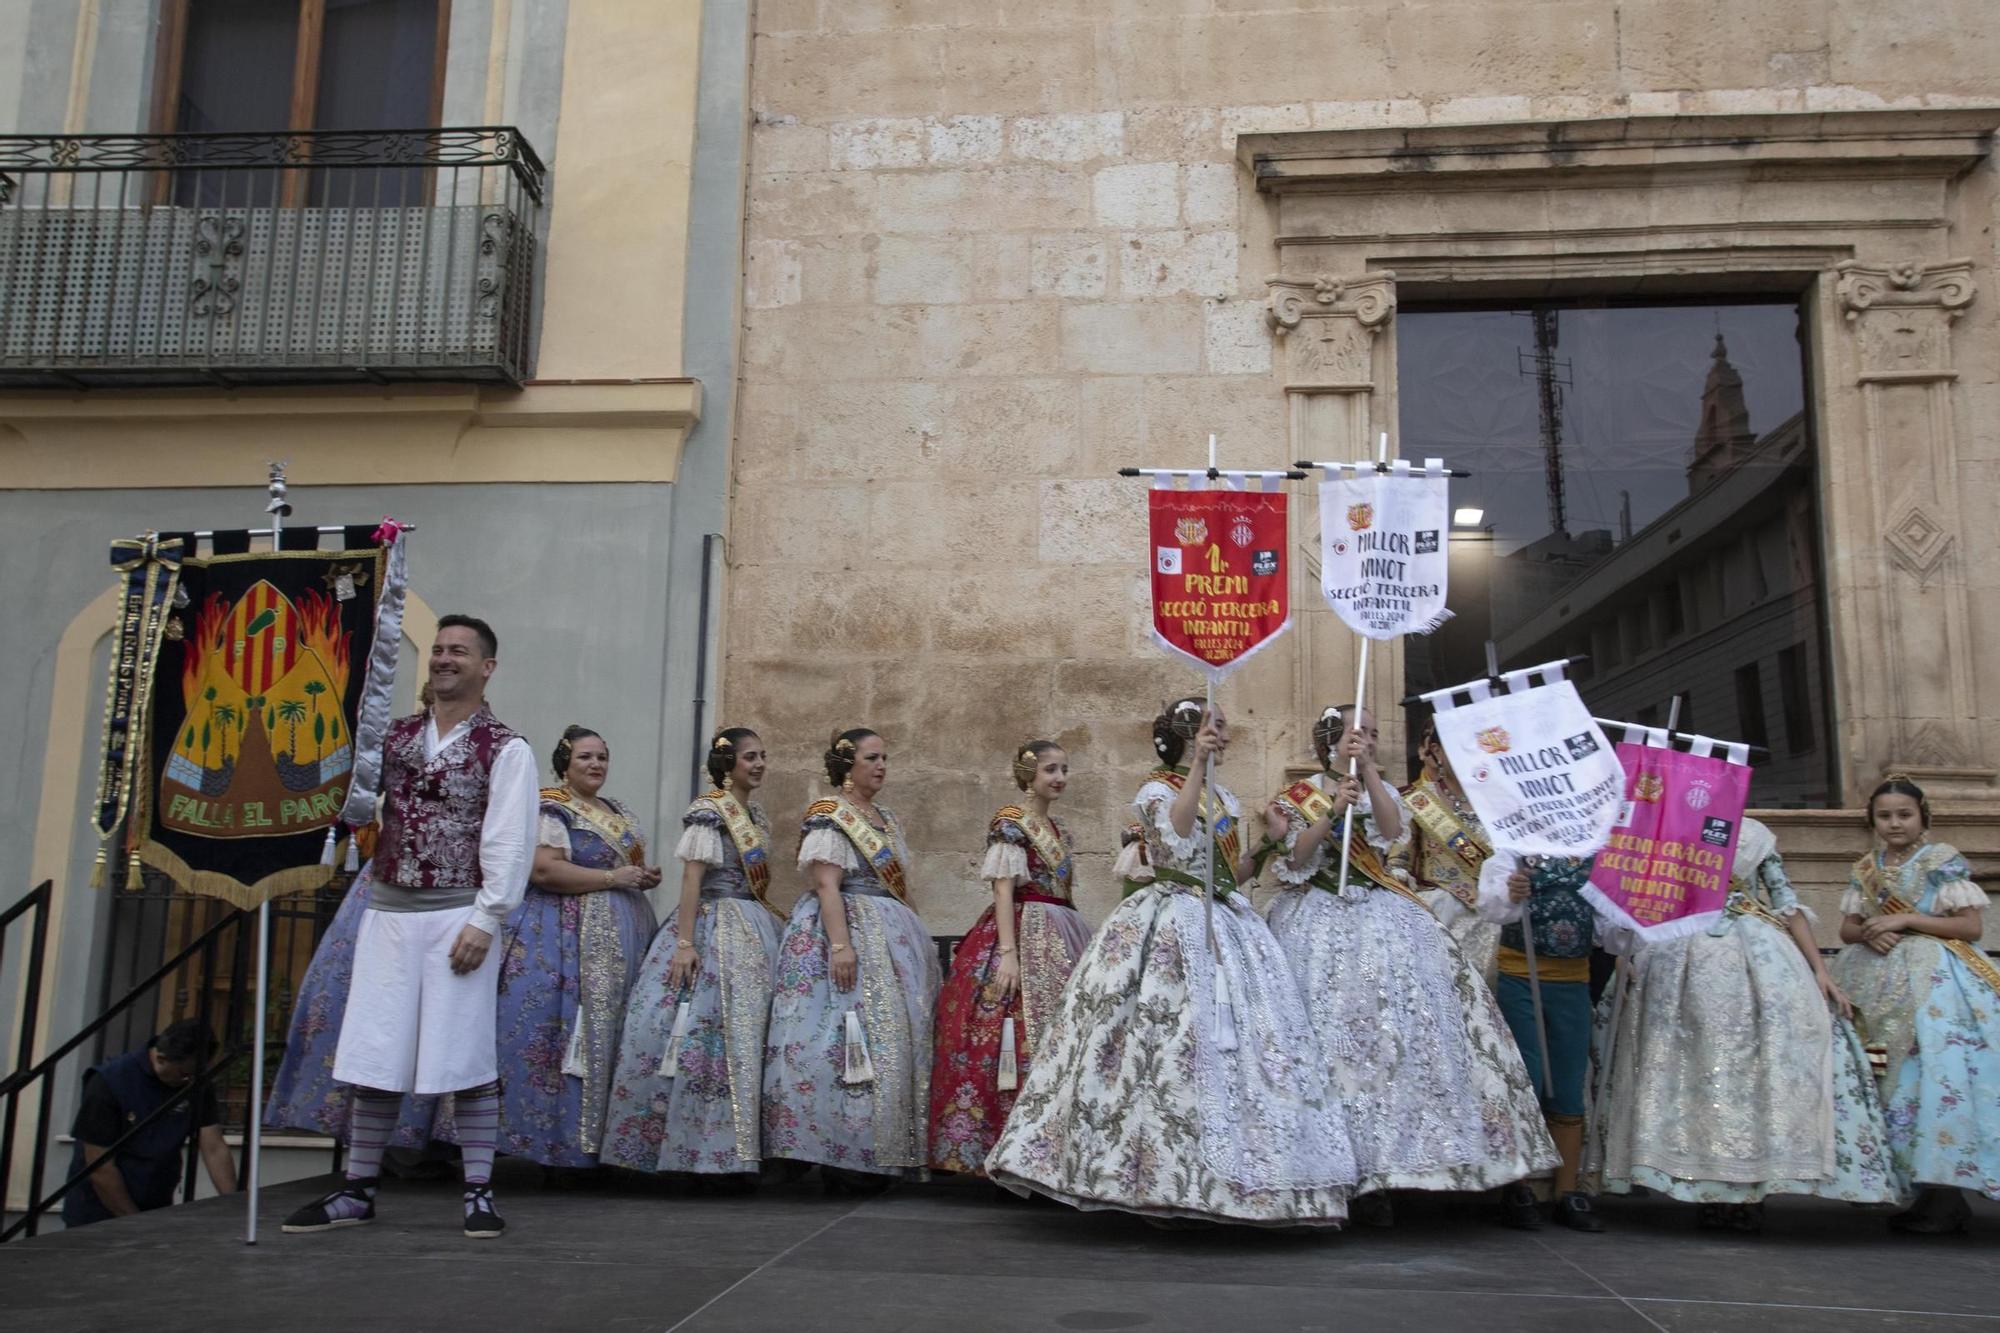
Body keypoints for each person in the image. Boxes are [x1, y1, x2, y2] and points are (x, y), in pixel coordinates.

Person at [987, 698, 1357, 1226]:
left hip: (1225, 919)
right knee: (1160, 1044)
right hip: (1170, 922)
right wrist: (1197, 769)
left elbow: (1232, 871)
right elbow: (1176, 835)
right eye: (1216, 727)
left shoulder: (1224, 796)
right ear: (1190, 734)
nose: (1226, 735)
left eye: (1223, 727)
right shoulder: (1158, 789)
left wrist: (1271, 849)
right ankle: (1146, 1175)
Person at [282, 614, 536, 1239]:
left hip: (458, 914)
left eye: (459, 651)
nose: (445, 659)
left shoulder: (505, 747)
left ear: (487, 667)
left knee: (465, 1054)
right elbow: (349, 803)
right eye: (439, 650)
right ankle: (357, 1191)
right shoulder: (391, 739)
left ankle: (478, 1191)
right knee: (376, 1050)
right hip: (389, 911)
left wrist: (487, 917)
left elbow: (510, 837)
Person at [1264, 705, 1555, 1228]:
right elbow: (1295, 863)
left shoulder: (1385, 787)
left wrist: (1370, 775)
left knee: (1408, 1035)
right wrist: (1331, 809)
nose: (1370, 739)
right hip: (1318, 919)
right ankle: (1345, 1172)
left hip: (1381, 917)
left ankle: (1406, 1164)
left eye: (1375, 734)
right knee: (1334, 1042)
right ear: (1332, 738)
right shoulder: (1297, 796)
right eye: (1361, 734)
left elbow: (1393, 830)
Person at [1592, 816, 1903, 1228]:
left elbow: (1785, 901)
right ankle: (1699, 1182)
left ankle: (1750, 1189)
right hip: (1675, 949)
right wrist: (1623, 954)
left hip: (1759, 958)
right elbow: (1637, 897)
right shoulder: (1671, 822)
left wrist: (1819, 971)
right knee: (1690, 1071)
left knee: (1758, 1074)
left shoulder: (1755, 835)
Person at [762, 728, 940, 1190]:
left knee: (889, 1042)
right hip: (844, 930)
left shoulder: (885, 817)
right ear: (847, 764)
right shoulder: (830, 815)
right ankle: (829, 1147)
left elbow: (900, 885)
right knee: (833, 1039)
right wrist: (841, 946)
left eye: (884, 758)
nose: (880, 766)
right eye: (871, 758)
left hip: (891, 934)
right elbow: (826, 885)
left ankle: (876, 1148)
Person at [602, 728, 782, 1181]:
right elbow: (691, 879)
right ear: (728, 764)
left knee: (745, 1036)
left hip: (752, 928)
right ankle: (687, 1150)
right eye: (749, 757)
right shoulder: (708, 811)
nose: (758, 764)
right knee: (695, 1033)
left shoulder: (754, 813)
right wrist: (685, 942)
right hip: (711, 924)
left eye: (762, 756)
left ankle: (737, 1147)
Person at [1831, 775, 1998, 1234]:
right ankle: (1927, 1193)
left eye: (1904, 814)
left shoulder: (1941, 860)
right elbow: (1847, 928)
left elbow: (1969, 927)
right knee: (1886, 1078)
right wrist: (1872, 930)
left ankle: (1947, 1196)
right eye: (1884, 816)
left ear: (1924, 816)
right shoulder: (1866, 866)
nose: (1894, 823)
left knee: (1934, 1076)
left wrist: (1904, 919)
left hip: (1937, 984)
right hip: (1874, 981)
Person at [492, 726, 661, 1170]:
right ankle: (563, 1144)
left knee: (616, 1032)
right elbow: (544, 872)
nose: (596, 764)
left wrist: (640, 876)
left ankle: (607, 1142)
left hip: (623, 933)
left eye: (602, 756)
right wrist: (612, 879)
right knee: (568, 1033)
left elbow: (624, 866)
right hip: (566, 937)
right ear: (565, 762)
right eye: (586, 756)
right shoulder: (553, 807)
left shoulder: (615, 809)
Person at [929, 740, 1092, 1176]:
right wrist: (1008, 953)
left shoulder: (1059, 831)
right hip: (1021, 928)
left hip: (1061, 930)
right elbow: (1003, 887)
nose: (1058, 778)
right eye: (1049, 770)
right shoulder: (1011, 823)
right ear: (1028, 775)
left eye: (1063, 769)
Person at [1481, 849, 1609, 1231]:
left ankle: (1567, 1190)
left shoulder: (1596, 858)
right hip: (1522, 977)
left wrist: (1629, 912)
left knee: (1569, 1080)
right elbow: (1492, 909)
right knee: (1526, 1077)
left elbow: (1611, 930)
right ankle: (1518, 1187)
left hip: (1573, 980)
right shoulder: (1512, 852)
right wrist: (1512, 894)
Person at [62, 1021, 237, 1227]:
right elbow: (99, 1166)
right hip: (97, 1211)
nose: (189, 1081)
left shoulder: (195, 1082)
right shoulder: (109, 1083)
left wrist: (234, 1205)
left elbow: (213, 1147)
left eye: (195, 1075)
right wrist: (135, 1221)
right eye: (183, 1074)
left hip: (156, 1201)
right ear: (160, 1058)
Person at [1393, 723, 1502, 981]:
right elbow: (1398, 859)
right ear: (1436, 752)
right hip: (1439, 918)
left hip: (1496, 921)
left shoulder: (1500, 801)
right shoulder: (1416, 799)